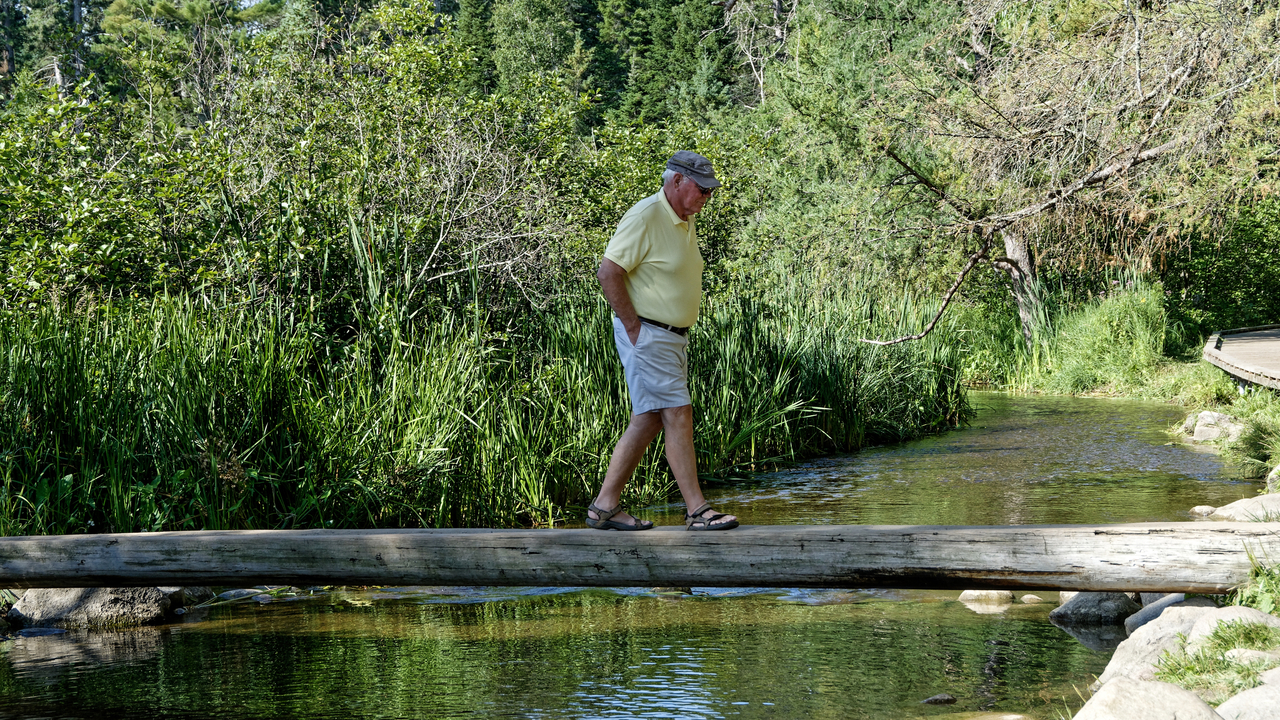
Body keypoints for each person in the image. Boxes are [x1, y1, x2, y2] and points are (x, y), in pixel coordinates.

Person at [586, 150, 739, 532]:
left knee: (650, 420)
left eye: (710, 191)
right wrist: (634, 328)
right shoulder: (646, 216)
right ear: (677, 181)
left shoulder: (684, 220)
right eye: (703, 189)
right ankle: (697, 510)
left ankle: (604, 507)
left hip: (671, 338)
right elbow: (608, 272)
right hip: (649, 334)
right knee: (678, 413)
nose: (708, 197)